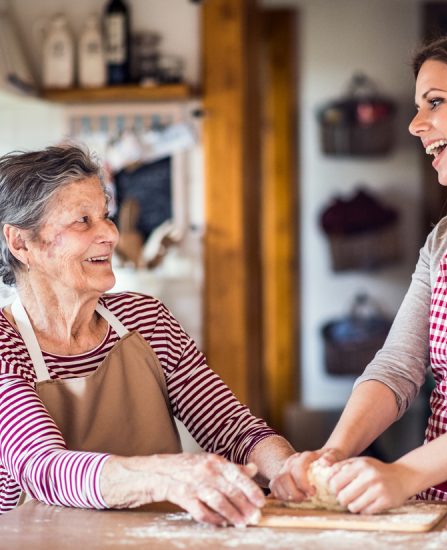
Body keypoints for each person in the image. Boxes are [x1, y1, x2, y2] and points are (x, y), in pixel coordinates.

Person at [271, 26, 447, 511]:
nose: (415, 124)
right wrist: (334, 454)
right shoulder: (445, 238)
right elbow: (398, 368)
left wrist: (403, 472)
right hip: (443, 501)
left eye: (435, 102)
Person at [0, 144, 295, 524]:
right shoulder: (6, 343)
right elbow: (44, 468)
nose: (110, 233)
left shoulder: (146, 319)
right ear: (21, 242)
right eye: (83, 220)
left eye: (105, 216)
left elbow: (231, 429)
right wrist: (169, 477)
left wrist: (288, 467)